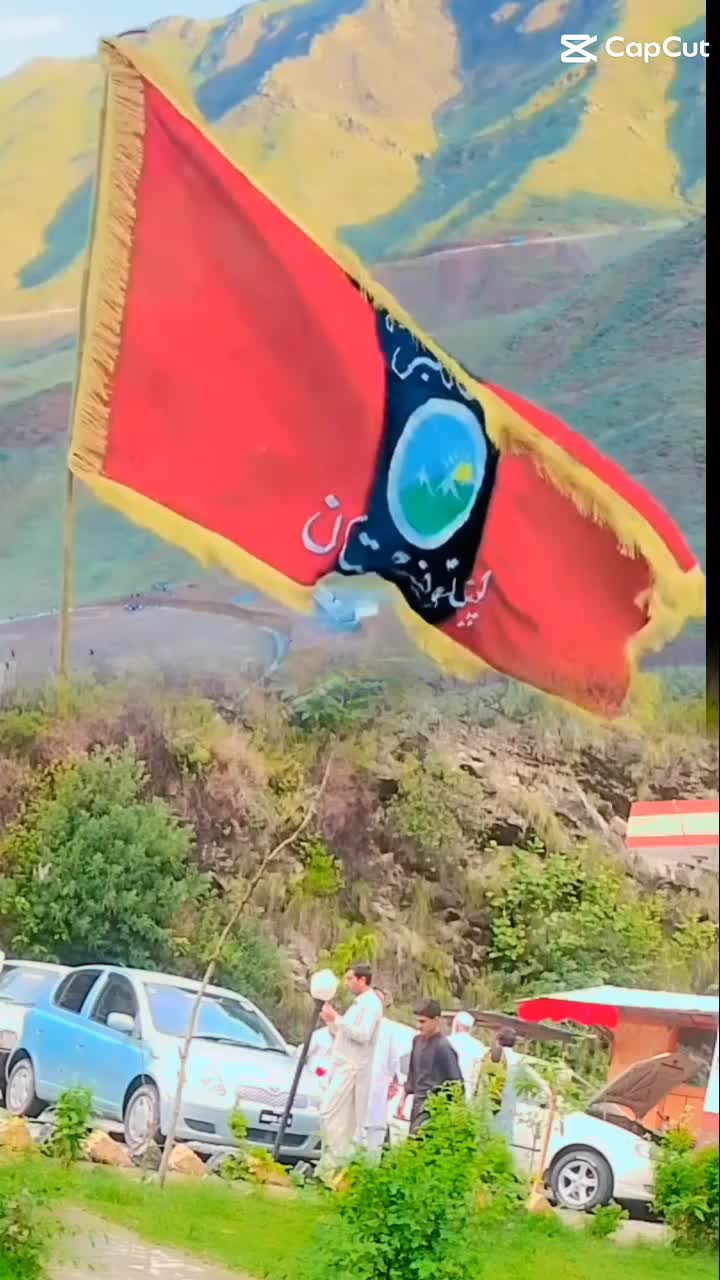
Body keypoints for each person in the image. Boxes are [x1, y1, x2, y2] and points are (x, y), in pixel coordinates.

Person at [317, 964, 383, 1178]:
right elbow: (345, 1036)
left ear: (362, 980)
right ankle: (330, 1168)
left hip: (352, 1070)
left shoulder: (371, 1004)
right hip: (342, 1066)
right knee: (335, 1119)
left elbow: (363, 1034)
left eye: (350, 979)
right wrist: (331, 1023)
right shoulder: (358, 1004)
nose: (347, 984)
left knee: (332, 1114)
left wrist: (337, 1018)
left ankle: (333, 1167)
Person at [400, 999, 463, 1136]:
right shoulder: (417, 1041)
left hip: (434, 1110)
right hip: (417, 1105)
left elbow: (456, 1085)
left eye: (423, 1022)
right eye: (417, 1021)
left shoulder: (443, 1048)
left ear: (436, 1020)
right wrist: (403, 1099)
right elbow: (413, 1074)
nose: (418, 1026)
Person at [362, 988, 402, 1160]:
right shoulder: (357, 1023)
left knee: (373, 1145)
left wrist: (394, 1082)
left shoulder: (388, 1030)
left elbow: (394, 1062)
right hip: (356, 1093)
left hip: (377, 1096)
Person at [448, 1011, 487, 1102]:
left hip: (450, 1088)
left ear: (457, 1024)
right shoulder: (479, 1045)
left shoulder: (447, 1042)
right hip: (470, 1089)